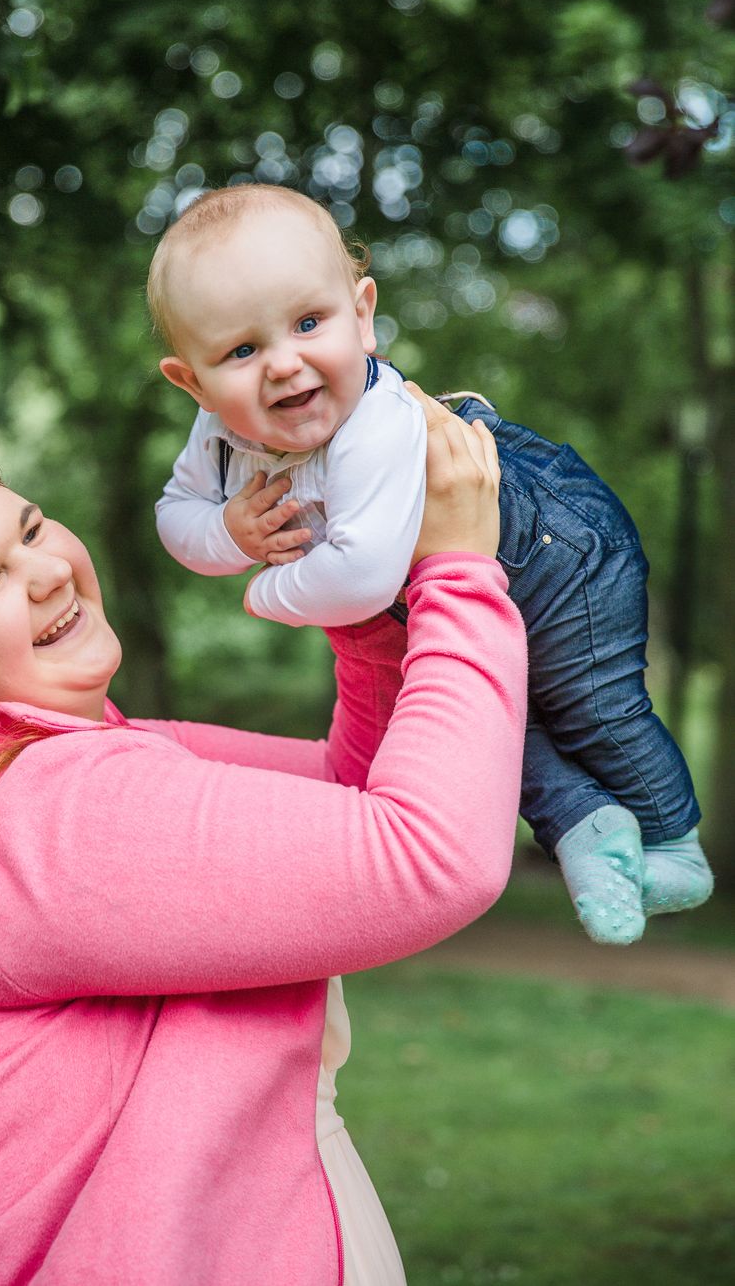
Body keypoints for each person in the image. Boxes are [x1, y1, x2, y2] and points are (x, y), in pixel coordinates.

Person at [0, 421, 525, 1285]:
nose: (49, 571)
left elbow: (351, 788)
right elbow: (431, 855)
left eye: (33, 527)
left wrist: (355, 601)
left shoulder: (58, 770)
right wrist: (457, 570)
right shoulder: (36, 820)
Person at [150, 184, 713, 947]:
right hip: (440, 586)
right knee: (494, 722)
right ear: (192, 381)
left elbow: (358, 580)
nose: (284, 364)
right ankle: (591, 826)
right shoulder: (215, 435)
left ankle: (674, 841)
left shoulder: (373, 427)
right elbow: (174, 516)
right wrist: (228, 530)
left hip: (558, 550)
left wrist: (267, 591)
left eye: (309, 323)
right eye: (242, 351)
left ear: (363, 315)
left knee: (589, 706)